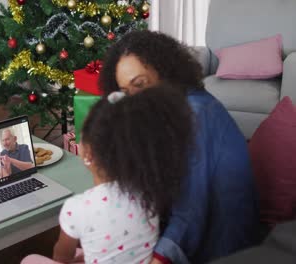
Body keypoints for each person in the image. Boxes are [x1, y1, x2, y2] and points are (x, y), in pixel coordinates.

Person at [98, 30, 259, 264]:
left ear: (165, 72)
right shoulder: (170, 106)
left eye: (140, 84)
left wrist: (158, 258)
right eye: (126, 92)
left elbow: (191, 211)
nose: (134, 99)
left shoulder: (195, 115)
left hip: (221, 242)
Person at [21, 85, 194, 264]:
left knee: (30, 259)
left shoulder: (76, 208)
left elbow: (62, 257)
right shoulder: (151, 194)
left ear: (87, 154)